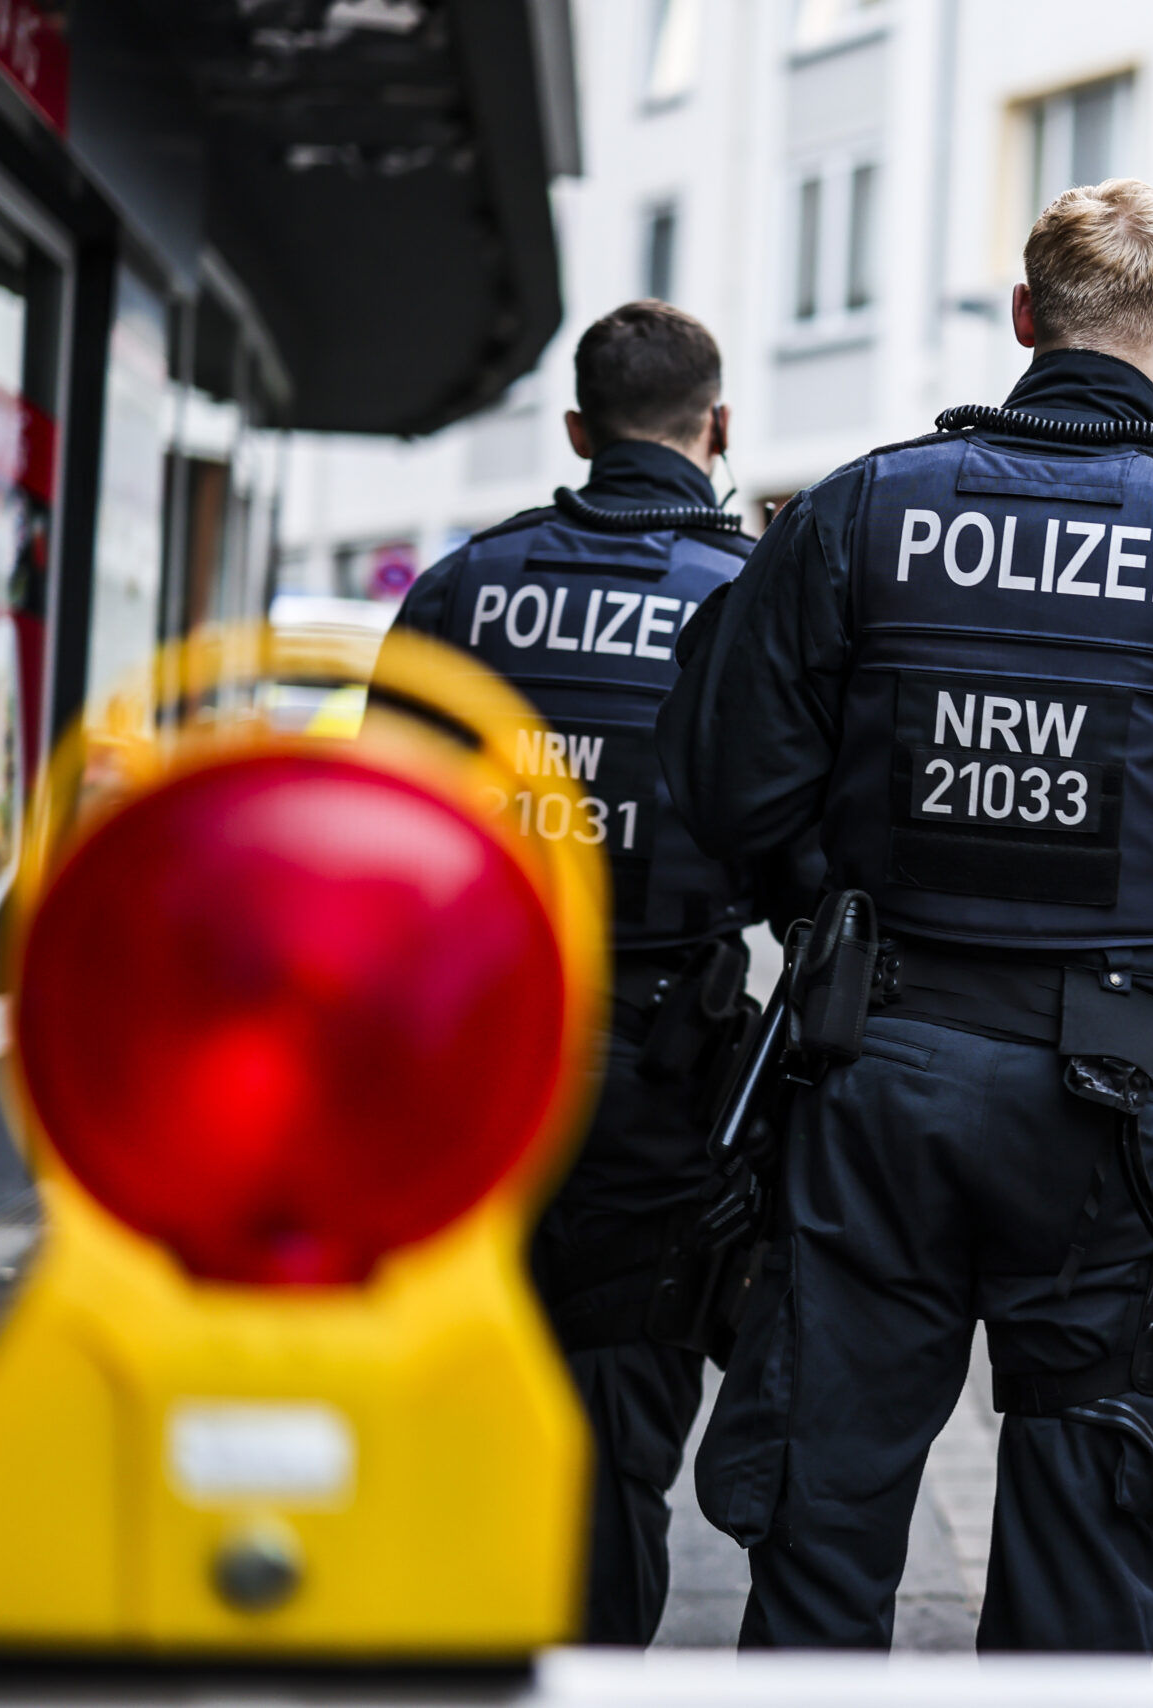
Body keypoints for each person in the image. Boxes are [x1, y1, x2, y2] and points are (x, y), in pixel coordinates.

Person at [657, 178, 1153, 1653]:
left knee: (825, 1534)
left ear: (1025, 321)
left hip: (871, 1079)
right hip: (1105, 1108)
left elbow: (718, 783)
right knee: (1077, 1563)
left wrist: (834, 913)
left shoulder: (858, 510)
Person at [380, 300, 772, 1643]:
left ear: (574, 430)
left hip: (462, 1064)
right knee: (612, 1445)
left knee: (445, 1396)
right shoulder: (743, 597)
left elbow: (386, 831)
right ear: (714, 431)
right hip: (660, 1082)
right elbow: (797, 846)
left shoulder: (462, 586)